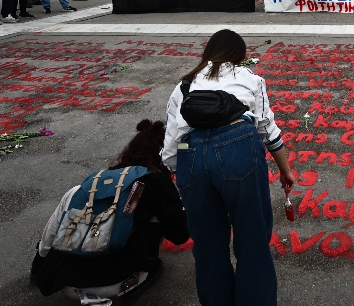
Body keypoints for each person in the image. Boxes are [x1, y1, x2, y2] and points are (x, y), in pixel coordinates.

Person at [162, 29, 294, 306]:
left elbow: (171, 151)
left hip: (191, 151)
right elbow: (267, 131)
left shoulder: (184, 85)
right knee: (252, 243)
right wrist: (285, 171)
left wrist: (189, 168)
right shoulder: (251, 79)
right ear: (240, 56)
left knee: (208, 248)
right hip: (239, 146)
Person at [31, 120, 189, 303]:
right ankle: (126, 283)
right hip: (113, 283)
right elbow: (179, 235)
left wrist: (39, 269)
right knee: (156, 223)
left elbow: (49, 238)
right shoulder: (156, 182)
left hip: (63, 282)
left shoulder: (93, 182)